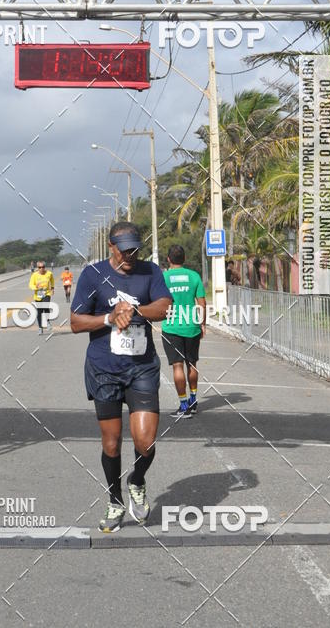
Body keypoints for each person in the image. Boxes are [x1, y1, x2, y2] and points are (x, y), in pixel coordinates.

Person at [70, 221, 172, 534]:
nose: (130, 254)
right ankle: (115, 501)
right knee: (111, 443)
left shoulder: (150, 271)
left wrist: (135, 312)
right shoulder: (92, 274)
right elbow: (75, 321)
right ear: (111, 247)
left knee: (145, 441)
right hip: (104, 368)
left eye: (134, 248)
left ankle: (136, 480)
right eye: (124, 249)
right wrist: (109, 317)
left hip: (141, 366)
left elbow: (164, 305)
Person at [162, 245, 206, 418]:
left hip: (171, 326)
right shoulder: (194, 276)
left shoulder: (164, 277)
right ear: (184, 258)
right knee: (192, 364)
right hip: (192, 326)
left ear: (168, 259)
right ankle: (193, 401)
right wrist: (202, 324)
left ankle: (183, 405)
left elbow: (159, 302)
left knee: (177, 365)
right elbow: (202, 304)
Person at [29, 261, 54, 335]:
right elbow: (30, 284)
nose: (41, 269)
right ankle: (40, 328)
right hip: (38, 294)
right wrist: (35, 287)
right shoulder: (34, 275)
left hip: (47, 293)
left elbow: (52, 280)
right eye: (39, 267)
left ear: (45, 267)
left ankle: (48, 322)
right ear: (37, 268)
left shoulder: (49, 273)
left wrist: (52, 288)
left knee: (45, 306)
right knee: (39, 311)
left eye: (43, 267)